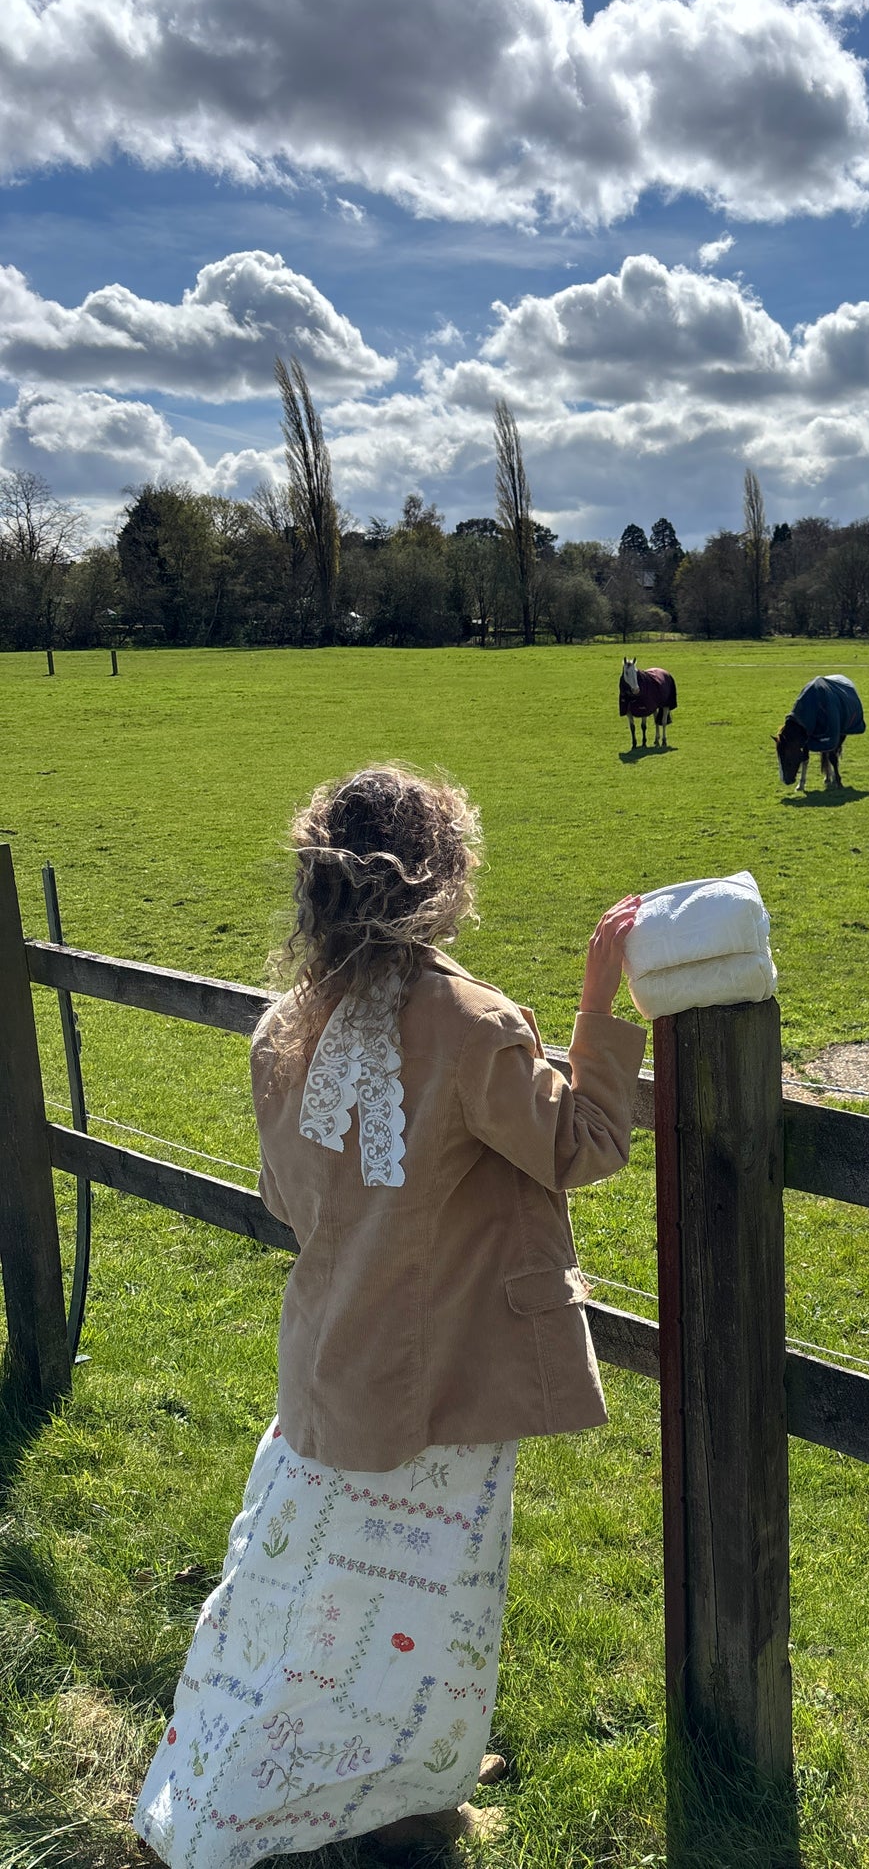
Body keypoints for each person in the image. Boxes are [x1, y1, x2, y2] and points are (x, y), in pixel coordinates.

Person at [134, 764, 645, 1866]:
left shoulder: (283, 1026)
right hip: (446, 1379)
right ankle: (400, 1791)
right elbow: (582, 1145)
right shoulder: (472, 1022)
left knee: (315, 1593)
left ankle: (312, 1768)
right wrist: (602, 1007)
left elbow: (285, 1197)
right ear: (442, 877)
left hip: (328, 1362)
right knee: (435, 1597)